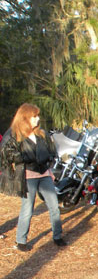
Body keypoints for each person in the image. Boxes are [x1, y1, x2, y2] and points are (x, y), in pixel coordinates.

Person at [0, 104, 66, 250]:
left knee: (54, 205)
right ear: (25, 118)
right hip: (28, 175)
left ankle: (57, 236)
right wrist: (22, 158)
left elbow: (51, 152)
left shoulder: (41, 134)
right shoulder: (16, 135)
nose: (37, 119)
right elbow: (7, 152)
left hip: (44, 174)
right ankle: (21, 240)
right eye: (34, 116)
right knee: (27, 208)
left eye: (37, 116)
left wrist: (50, 171)